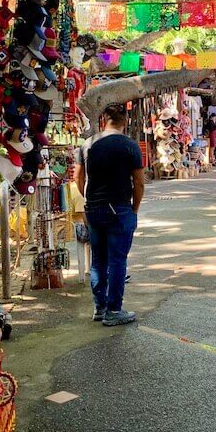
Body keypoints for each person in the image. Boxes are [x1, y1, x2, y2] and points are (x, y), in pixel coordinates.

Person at [74, 103, 144, 326]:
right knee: (117, 261)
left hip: (94, 208)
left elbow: (78, 177)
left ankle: (100, 307)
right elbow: (139, 182)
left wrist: (88, 199)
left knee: (98, 260)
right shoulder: (129, 145)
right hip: (119, 208)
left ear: (104, 119)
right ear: (125, 121)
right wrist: (134, 209)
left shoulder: (88, 144)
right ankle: (114, 310)